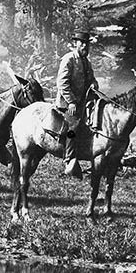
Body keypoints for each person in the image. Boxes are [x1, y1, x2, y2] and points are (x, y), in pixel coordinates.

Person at [55, 29, 98, 172]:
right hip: (68, 104)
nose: (85, 46)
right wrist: (71, 101)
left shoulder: (86, 62)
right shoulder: (69, 59)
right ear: (76, 44)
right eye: (82, 43)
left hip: (82, 103)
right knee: (73, 126)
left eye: (87, 44)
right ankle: (69, 160)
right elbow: (62, 83)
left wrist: (94, 85)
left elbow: (92, 79)